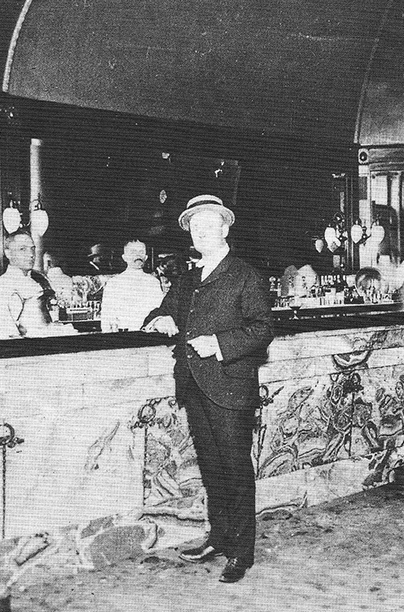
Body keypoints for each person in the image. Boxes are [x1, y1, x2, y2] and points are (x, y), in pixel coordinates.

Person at [143, 194, 273, 583]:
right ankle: (218, 537)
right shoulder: (187, 279)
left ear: (225, 228)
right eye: (193, 227)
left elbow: (263, 329)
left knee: (235, 470)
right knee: (212, 470)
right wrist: (162, 318)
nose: (199, 232)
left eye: (207, 225)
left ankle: (242, 552)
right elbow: (160, 310)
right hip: (195, 386)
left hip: (230, 388)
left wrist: (219, 344)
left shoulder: (244, 274)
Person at [0, 233, 52, 341]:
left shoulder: (34, 283)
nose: (31, 254)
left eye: (32, 249)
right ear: (8, 253)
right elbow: (1, 336)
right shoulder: (1, 289)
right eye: (22, 249)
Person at [100, 240, 165, 331]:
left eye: (141, 252)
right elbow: (106, 318)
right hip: (123, 337)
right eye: (133, 252)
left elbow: (160, 312)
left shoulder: (153, 283)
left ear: (146, 257)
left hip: (149, 336)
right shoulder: (114, 283)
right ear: (124, 257)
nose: (138, 255)